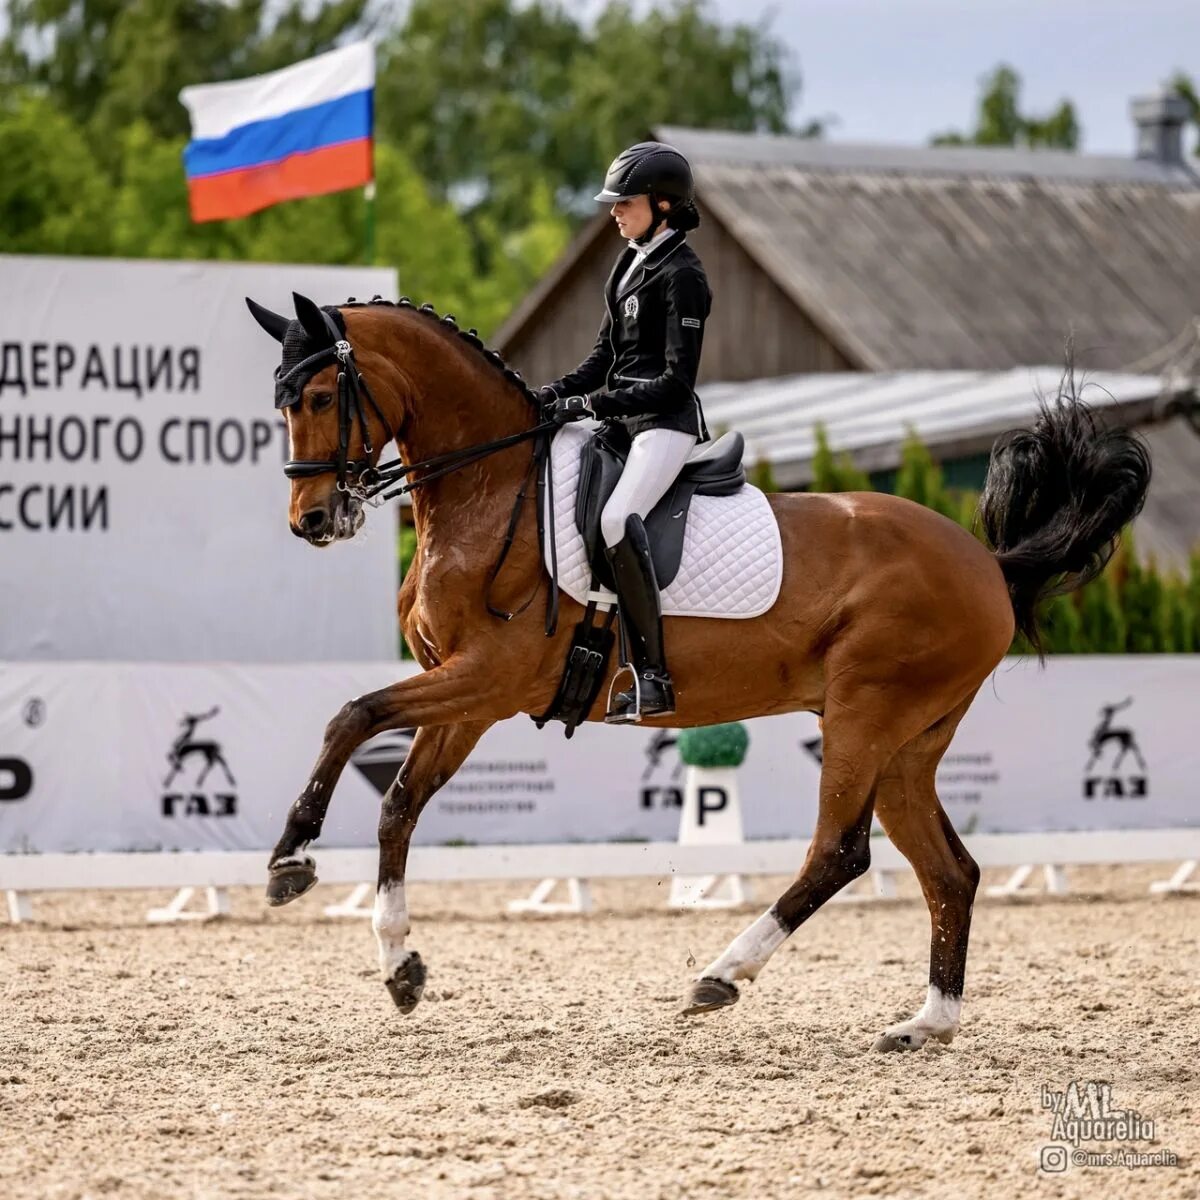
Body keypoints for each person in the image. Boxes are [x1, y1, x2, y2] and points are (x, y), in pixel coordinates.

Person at [538, 141, 712, 723]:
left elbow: (674, 381)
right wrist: (552, 394)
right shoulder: (630, 261)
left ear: (663, 205)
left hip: (663, 424)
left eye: (625, 202)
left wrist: (595, 401)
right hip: (619, 421)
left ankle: (654, 676)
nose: (613, 211)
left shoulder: (684, 274)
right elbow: (601, 357)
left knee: (617, 520)